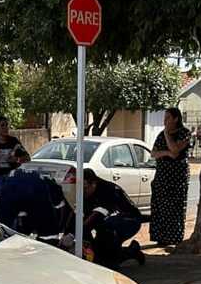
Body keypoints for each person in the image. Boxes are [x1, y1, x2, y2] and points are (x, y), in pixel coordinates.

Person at [0, 149, 71, 235]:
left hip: (12, 225)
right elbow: (59, 206)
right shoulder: (40, 178)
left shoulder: (2, 181)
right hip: (32, 223)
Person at [82, 168, 145, 268]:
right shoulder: (88, 193)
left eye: (85, 188)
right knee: (99, 252)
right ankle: (127, 252)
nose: (82, 192)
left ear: (93, 183)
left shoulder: (108, 191)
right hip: (110, 223)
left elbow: (95, 218)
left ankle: (131, 252)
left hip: (128, 221)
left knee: (108, 256)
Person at [150, 107, 192, 247]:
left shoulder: (184, 133)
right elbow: (154, 153)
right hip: (162, 175)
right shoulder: (161, 134)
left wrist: (168, 137)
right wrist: (167, 153)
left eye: (168, 118)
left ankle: (173, 238)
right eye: (164, 118)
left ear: (176, 119)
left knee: (174, 207)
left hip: (177, 177)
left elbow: (175, 150)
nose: (165, 121)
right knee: (160, 206)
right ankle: (160, 237)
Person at [0, 117, 28, 193]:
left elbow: (27, 158)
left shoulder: (14, 141)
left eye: (7, 125)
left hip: (12, 179)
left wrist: (17, 159)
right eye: (2, 125)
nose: (5, 128)